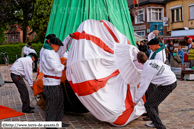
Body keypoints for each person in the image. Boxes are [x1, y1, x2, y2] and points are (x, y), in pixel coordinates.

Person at [132, 51, 177, 128]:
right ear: (146, 56)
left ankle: (160, 127)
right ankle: (154, 122)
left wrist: (135, 101)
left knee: (149, 105)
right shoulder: (154, 61)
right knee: (153, 102)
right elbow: (166, 67)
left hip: (167, 84)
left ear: (138, 62)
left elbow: (142, 88)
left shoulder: (146, 71)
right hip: (172, 79)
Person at [40, 36, 74, 128]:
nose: (59, 48)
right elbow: (56, 68)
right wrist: (64, 66)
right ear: (53, 45)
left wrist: (69, 37)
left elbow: (62, 48)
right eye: (58, 46)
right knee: (52, 106)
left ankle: (57, 122)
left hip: (56, 83)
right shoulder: (48, 53)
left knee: (59, 103)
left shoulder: (53, 51)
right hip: (51, 84)